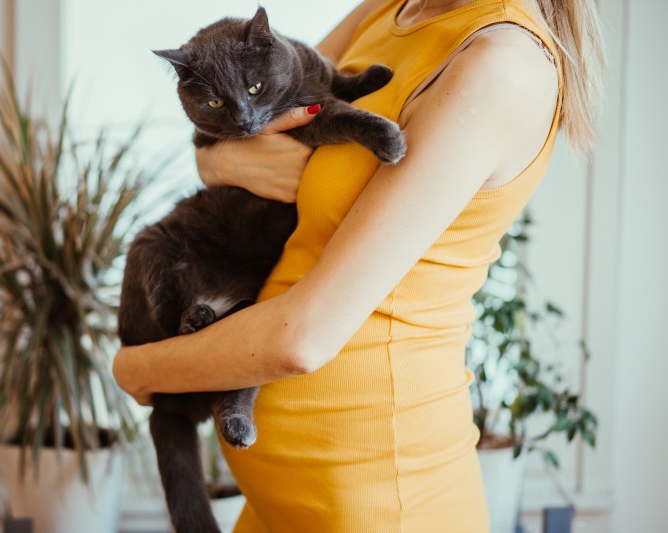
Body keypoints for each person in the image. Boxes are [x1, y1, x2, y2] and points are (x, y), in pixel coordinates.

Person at [113, 0, 605, 531]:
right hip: (276, 500)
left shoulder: (500, 63)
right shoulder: (394, 6)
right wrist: (215, 159)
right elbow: (270, 108)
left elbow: (305, 337)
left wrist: (136, 370)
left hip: (375, 495)